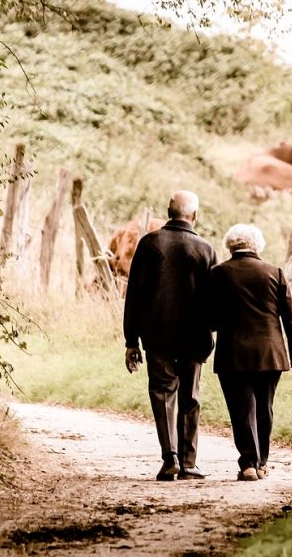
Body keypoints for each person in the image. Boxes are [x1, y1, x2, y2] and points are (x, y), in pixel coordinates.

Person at [123, 190, 218, 481]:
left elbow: (134, 296)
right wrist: (211, 330)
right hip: (194, 337)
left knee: (163, 394)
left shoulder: (150, 244)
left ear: (168, 211)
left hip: (157, 335)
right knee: (190, 396)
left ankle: (170, 458)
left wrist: (131, 341)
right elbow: (214, 299)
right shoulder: (205, 249)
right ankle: (189, 463)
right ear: (195, 216)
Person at [208, 223, 292, 482]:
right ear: (257, 245)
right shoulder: (275, 272)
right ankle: (262, 462)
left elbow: (211, 318)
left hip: (233, 353)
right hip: (270, 352)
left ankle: (248, 463)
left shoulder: (218, 273)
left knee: (241, 408)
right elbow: (290, 317)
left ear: (230, 244)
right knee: (265, 407)